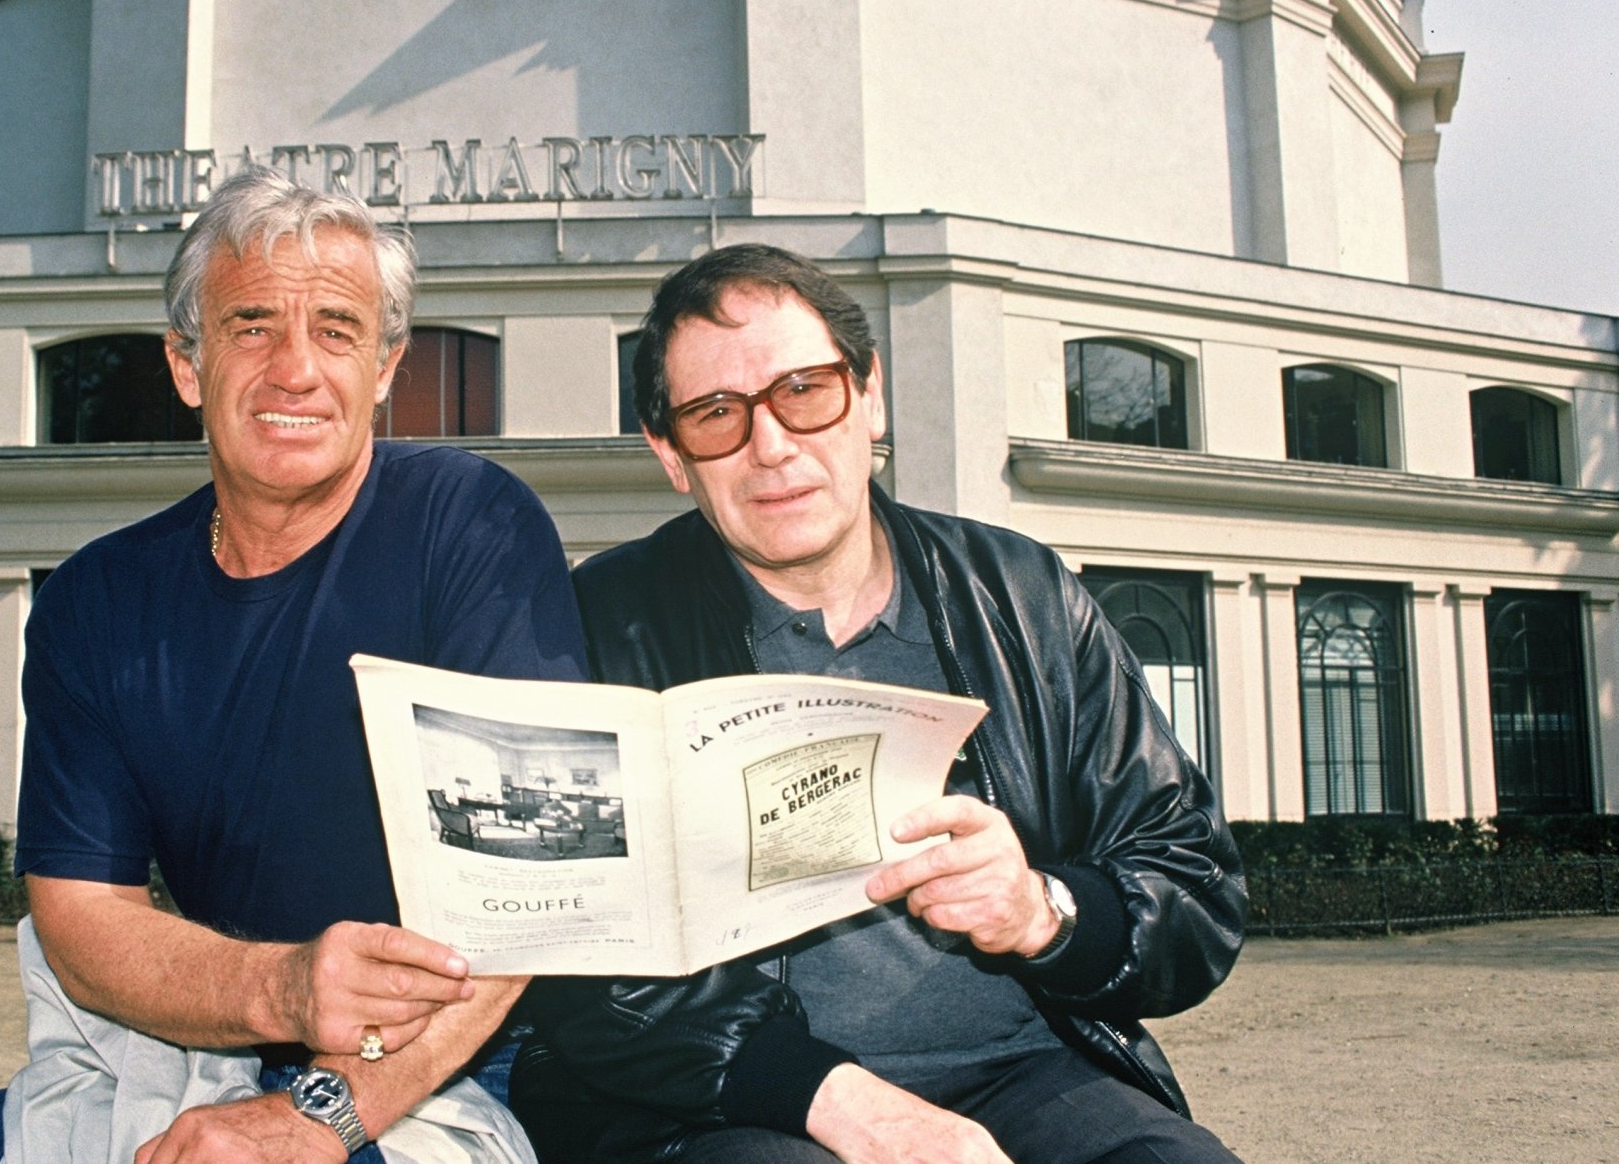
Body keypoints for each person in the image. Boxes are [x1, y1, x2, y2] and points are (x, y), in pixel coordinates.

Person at [0, 168, 587, 1164]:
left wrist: (315, 1117)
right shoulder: (97, 601)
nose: (294, 369)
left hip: (460, 1065)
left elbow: (536, 891)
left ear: (386, 367)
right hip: (204, 1050)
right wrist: (284, 989)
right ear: (186, 363)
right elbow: (83, 916)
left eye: (337, 331)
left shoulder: (467, 522)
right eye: (251, 326)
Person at [511, 244, 1248, 1164]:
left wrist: (1039, 906)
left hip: (1027, 1065)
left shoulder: (1023, 594)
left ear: (870, 396)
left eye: (806, 390)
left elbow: (1194, 881)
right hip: (731, 1097)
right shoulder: (599, 626)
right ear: (670, 454)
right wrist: (835, 1099)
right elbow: (580, 954)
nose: (771, 445)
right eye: (716, 414)